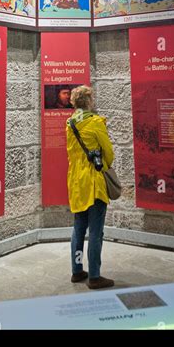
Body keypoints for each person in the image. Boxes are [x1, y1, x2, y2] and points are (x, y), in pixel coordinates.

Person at [66, 85, 115, 289]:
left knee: (78, 228)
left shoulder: (69, 124)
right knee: (96, 231)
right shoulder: (96, 123)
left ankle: (77, 271)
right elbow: (108, 153)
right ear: (89, 101)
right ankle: (94, 275)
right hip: (94, 182)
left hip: (76, 182)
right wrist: (104, 163)